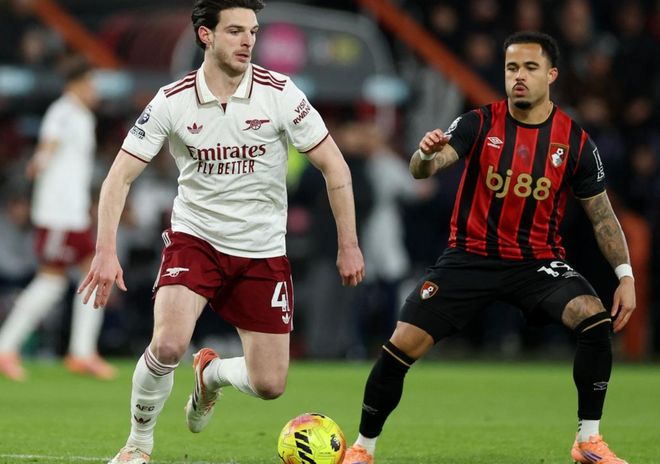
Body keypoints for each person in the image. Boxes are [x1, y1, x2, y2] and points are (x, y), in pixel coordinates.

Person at [77, 1, 365, 463]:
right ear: (206, 35)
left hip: (262, 249)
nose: (248, 40)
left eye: (253, 31)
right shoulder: (172, 100)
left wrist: (348, 244)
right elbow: (118, 177)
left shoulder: (280, 93)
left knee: (270, 384)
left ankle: (210, 375)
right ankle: (137, 446)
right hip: (196, 239)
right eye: (235, 31)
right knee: (168, 343)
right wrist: (105, 250)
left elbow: (335, 166)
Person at [343, 31, 635, 464]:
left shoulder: (575, 142)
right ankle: (362, 448)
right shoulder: (478, 123)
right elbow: (424, 169)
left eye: (530, 67)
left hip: (537, 263)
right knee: (401, 345)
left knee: (593, 320)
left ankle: (588, 441)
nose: (519, 76)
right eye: (512, 67)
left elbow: (602, 216)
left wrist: (625, 276)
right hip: (470, 258)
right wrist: (426, 155)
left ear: (551, 75)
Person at [0, 58, 117, 382]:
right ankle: (7, 347)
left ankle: (81, 352)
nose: (95, 91)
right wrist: (38, 164)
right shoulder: (62, 112)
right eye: (91, 83)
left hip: (73, 214)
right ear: (76, 83)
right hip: (58, 215)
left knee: (91, 275)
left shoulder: (81, 115)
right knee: (52, 282)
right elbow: (47, 146)